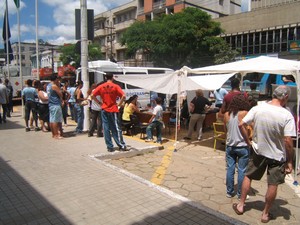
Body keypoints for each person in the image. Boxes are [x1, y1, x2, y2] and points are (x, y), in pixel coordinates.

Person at [232, 85, 296, 224]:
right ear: (284, 97)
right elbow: (288, 140)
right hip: (277, 155)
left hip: (258, 151)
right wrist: (290, 161)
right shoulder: (286, 114)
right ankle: (265, 214)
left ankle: (241, 205)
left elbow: (240, 124)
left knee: (249, 176)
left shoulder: (258, 108)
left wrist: (248, 141)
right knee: (273, 184)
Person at [223, 95, 251, 200]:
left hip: (230, 145)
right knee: (242, 170)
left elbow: (225, 130)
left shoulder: (227, 114)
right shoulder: (245, 113)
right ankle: (240, 194)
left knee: (230, 168)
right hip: (243, 145)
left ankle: (229, 192)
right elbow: (250, 127)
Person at [91, 73, 127, 152]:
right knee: (116, 128)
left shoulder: (101, 86)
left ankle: (110, 147)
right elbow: (124, 96)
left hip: (104, 109)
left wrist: (99, 103)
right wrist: (119, 104)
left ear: (105, 77)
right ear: (112, 78)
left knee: (106, 128)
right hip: (113, 109)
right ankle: (121, 145)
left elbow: (92, 95)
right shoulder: (116, 86)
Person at [47, 75, 63, 139]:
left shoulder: (48, 85)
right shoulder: (54, 86)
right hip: (55, 104)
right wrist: (58, 86)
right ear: (55, 79)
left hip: (51, 104)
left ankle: (53, 134)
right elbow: (60, 94)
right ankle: (56, 134)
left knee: (52, 119)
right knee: (55, 120)